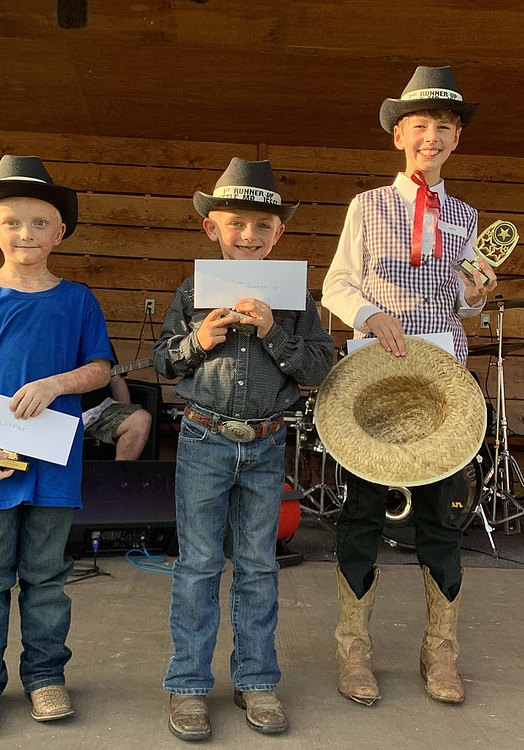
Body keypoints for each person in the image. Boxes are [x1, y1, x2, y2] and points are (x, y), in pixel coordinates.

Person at [321, 65, 498, 707]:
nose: (432, 138)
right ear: (399, 133)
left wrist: (477, 295)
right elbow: (336, 284)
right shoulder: (366, 206)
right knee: (361, 517)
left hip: (443, 383)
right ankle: (353, 652)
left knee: (442, 522)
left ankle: (440, 654)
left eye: (444, 128)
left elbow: (465, 300)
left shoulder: (467, 217)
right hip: (374, 376)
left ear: (456, 140)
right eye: (420, 126)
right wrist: (370, 314)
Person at [153, 158, 335, 741]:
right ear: (213, 229)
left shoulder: (296, 296)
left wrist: (271, 333)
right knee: (199, 564)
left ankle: (257, 680)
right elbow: (161, 362)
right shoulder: (191, 291)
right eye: (236, 224)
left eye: (262, 226)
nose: (248, 236)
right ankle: (187, 686)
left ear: (278, 234)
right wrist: (196, 340)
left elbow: (319, 366)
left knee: (258, 566)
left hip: (264, 443)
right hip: (204, 438)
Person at [0, 155, 113, 730]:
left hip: (53, 462)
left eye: (39, 223)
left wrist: (55, 383)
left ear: (60, 232)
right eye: (11, 222)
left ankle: (45, 677)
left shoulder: (78, 299)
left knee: (46, 578)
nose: (25, 233)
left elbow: (99, 369)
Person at [81, 344, 152, 461]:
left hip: (98, 411)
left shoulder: (97, 336)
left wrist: (125, 411)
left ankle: (119, 476)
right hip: (57, 414)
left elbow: (116, 380)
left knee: (140, 419)